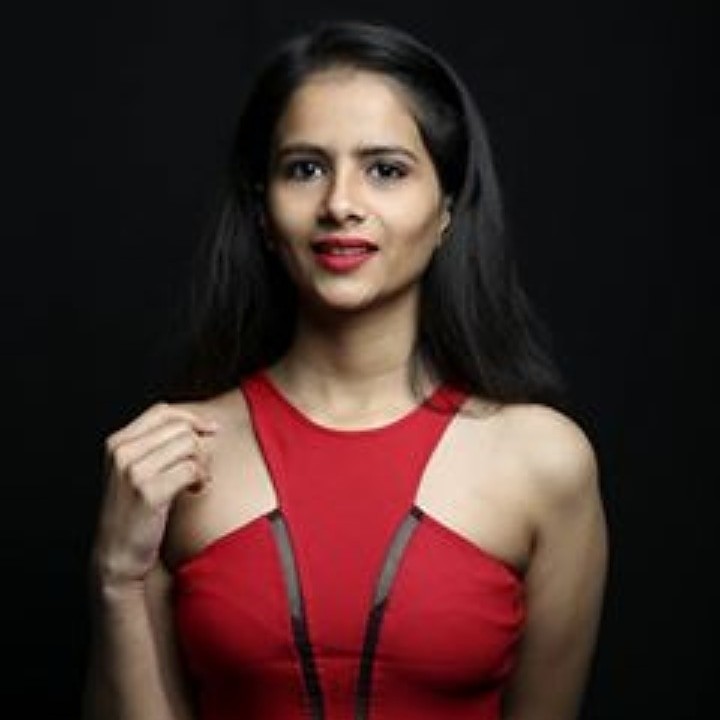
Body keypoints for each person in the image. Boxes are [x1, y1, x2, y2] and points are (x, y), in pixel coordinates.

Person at [82, 19, 608, 720]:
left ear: (448, 207)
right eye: (305, 169)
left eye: (385, 169)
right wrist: (116, 579)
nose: (340, 205)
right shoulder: (171, 456)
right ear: (263, 210)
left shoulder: (545, 461)